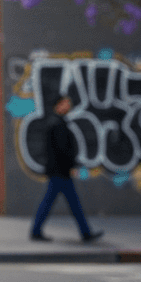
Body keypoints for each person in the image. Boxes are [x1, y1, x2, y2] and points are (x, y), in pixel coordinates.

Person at [29, 95, 103, 242]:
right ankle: (85, 233)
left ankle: (84, 232)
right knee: (67, 203)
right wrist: (70, 166)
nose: (68, 106)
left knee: (64, 203)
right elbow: (62, 150)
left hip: (58, 171)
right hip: (60, 172)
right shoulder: (58, 124)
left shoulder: (56, 122)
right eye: (65, 103)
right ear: (58, 105)